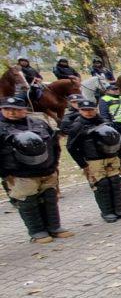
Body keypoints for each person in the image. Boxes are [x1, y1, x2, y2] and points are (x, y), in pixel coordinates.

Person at [0, 96, 74, 242]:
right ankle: (37, 232)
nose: (12, 112)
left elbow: (54, 144)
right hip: (19, 174)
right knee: (28, 202)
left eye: (17, 110)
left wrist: (53, 165)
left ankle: (54, 227)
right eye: (7, 109)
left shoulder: (38, 123)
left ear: (25, 110)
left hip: (46, 170)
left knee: (50, 199)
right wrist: (5, 173)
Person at [65, 100, 121, 222]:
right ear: (80, 110)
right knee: (102, 186)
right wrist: (83, 164)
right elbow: (71, 147)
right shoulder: (77, 125)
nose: (89, 112)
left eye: (91, 109)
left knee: (115, 183)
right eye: (85, 110)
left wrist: (120, 155)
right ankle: (107, 212)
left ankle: (119, 209)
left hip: (111, 157)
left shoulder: (103, 121)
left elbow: (115, 138)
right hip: (93, 160)